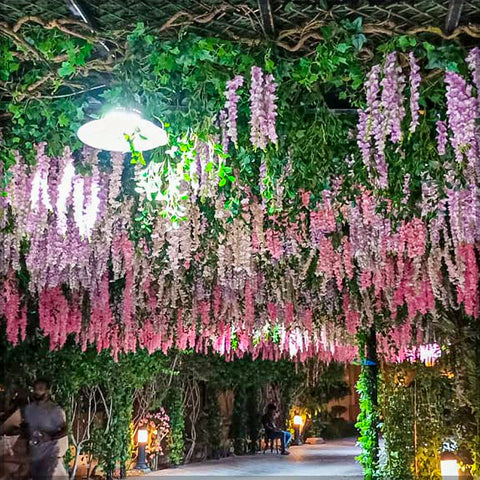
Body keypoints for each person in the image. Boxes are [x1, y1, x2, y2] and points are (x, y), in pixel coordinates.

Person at [0, 379, 68, 480]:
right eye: (35, 389)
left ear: (47, 391)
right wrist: (19, 431)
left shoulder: (54, 409)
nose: (37, 392)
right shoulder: (29, 409)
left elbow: (64, 430)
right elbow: (27, 427)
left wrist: (50, 437)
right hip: (32, 455)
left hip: (47, 457)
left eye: (40, 388)